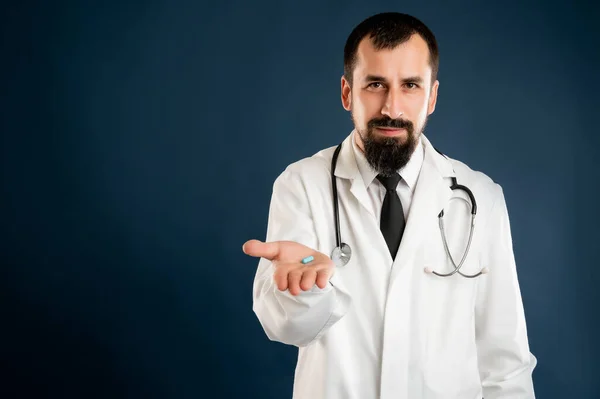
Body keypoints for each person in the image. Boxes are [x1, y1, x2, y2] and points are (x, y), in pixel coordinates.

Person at [242, 12, 536, 399]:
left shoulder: (481, 196)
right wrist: (305, 288)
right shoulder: (301, 185)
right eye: (376, 84)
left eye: (410, 85)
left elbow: (505, 364)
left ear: (431, 96)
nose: (392, 108)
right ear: (348, 92)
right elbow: (286, 327)